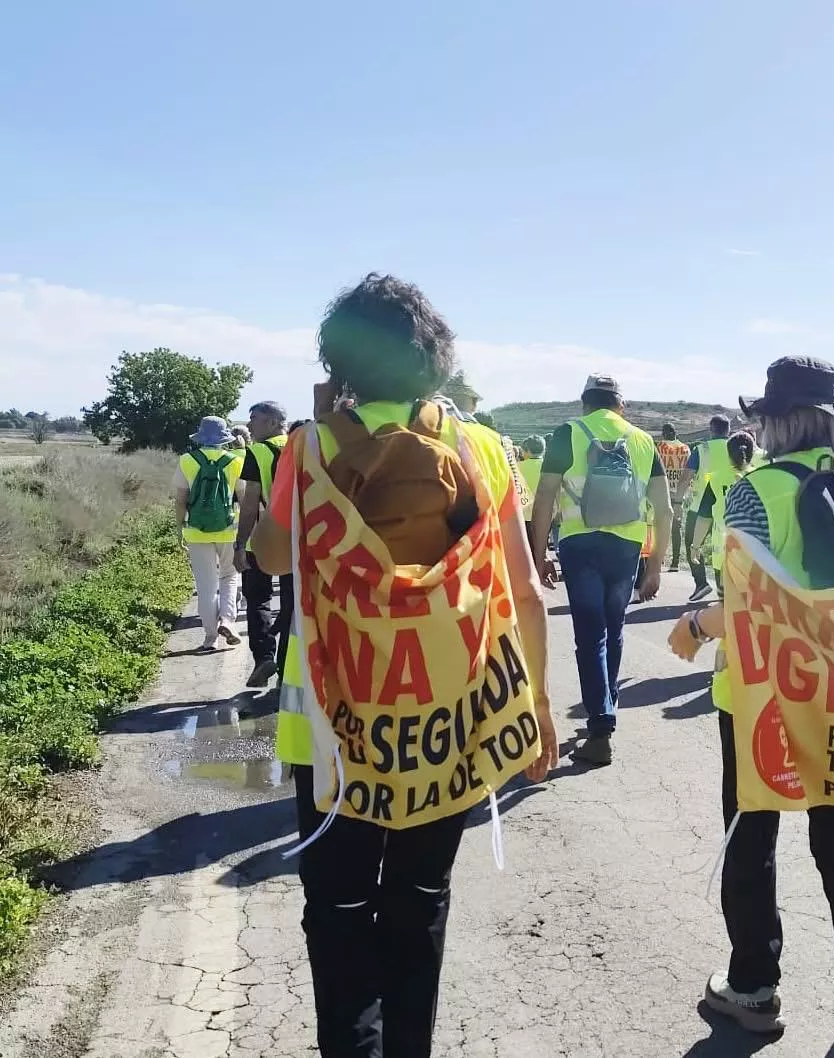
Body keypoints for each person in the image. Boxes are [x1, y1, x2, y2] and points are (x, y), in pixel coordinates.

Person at [251, 274, 558, 1058]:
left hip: (331, 726)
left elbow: (270, 557)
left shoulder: (309, 447)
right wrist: (541, 706)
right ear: (434, 359)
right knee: (420, 901)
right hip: (445, 724)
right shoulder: (482, 449)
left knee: (338, 909)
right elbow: (522, 588)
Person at [668, 356, 834, 1058]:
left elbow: (747, 609)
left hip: (763, 699)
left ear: (775, 420)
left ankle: (752, 985)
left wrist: (693, 626)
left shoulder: (756, 492)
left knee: (752, 837)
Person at [528, 374, 672, 767]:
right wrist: (655, 567)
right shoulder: (643, 441)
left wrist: (538, 556)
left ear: (584, 403)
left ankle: (600, 725)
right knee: (614, 628)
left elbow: (544, 498)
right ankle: (604, 710)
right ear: (620, 406)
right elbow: (665, 511)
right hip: (626, 548)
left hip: (580, 545)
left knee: (590, 635)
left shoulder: (568, 433)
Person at [173, 416, 246, 654]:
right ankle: (228, 621)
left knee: (205, 586)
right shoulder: (235, 461)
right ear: (224, 438)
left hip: (196, 530)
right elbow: (244, 499)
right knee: (229, 576)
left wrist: (179, 528)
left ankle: (210, 637)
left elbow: (181, 500)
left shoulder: (186, 460)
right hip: (228, 529)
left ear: (200, 436)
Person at [233, 401, 292, 688]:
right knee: (293, 604)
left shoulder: (256, 452)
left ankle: (264, 655)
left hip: (263, 537)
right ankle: (287, 667)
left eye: (254, 418)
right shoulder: (299, 446)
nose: (250, 423)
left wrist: (240, 544)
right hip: (298, 540)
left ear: (271, 422)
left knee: (258, 597)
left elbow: (249, 503)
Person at [687, 431, 756, 599]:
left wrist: (695, 547)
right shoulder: (762, 476)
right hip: (756, 554)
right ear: (753, 453)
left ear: (728, 454)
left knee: (727, 607)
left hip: (724, 553)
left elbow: (704, 517)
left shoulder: (716, 479)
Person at [676, 414, 734, 602]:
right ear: (728, 430)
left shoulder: (703, 449)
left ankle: (701, 583)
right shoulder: (736, 447)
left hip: (701, 503)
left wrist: (678, 501)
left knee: (693, 544)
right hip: (731, 504)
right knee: (724, 549)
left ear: (711, 430)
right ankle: (724, 592)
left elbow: (686, 478)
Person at [655, 423, 690, 571]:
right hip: (679, 493)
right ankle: (675, 562)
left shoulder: (659, 447)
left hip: (662, 491)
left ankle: (659, 558)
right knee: (676, 528)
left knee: (660, 526)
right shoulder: (685, 449)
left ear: (664, 433)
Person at [518, 435, 545, 532]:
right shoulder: (547, 467)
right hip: (544, 515)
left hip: (523, 514)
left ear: (528, 451)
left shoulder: (517, 467)